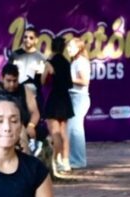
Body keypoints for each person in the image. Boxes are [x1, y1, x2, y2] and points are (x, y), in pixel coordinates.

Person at [42, 36, 74, 177]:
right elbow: (69, 83)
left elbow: (43, 80)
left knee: (55, 133)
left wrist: (47, 67)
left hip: (54, 99)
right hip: (65, 99)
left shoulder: (50, 62)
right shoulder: (67, 62)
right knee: (63, 132)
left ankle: (56, 160)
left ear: (52, 47)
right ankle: (66, 161)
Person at [1, 64, 44, 155]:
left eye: (15, 81)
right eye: (8, 81)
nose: (12, 84)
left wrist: (31, 125)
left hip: (23, 128)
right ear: (2, 78)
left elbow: (35, 112)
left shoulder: (25, 90)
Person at [66, 38, 91, 170]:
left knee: (75, 129)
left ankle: (79, 160)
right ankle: (72, 159)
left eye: (71, 46)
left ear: (79, 48)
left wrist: (67, 78)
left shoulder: (81, 62)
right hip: (73, 97)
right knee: (71, 129)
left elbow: (84, 81)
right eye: (68, 46)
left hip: (79, 97)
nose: (68, 49)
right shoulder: (74, 62)